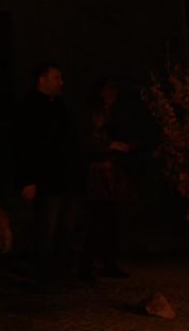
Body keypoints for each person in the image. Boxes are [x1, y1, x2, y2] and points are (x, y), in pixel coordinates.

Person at [13, 63, 84, 289]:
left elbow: (71, 142)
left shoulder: (60, 107)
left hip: (66, 180)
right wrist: (26, 180)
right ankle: (44, 277)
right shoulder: (28, 108)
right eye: (56, 78)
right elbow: (21, 147)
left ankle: (62, 274)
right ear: (41, 80)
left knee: (65, 230)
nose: (61, 82)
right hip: (46, 182)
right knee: (46, 230)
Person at [81, 79, 134, 279]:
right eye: (110, 92)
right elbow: (86, 142)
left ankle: (108, 263)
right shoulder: (91, 115)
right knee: (97, 219)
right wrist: (110, 145)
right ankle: (86, 265)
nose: (114, 96)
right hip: (98, 174)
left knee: (111, 219)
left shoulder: (111, 115)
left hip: (111, 173)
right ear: (102, 93)